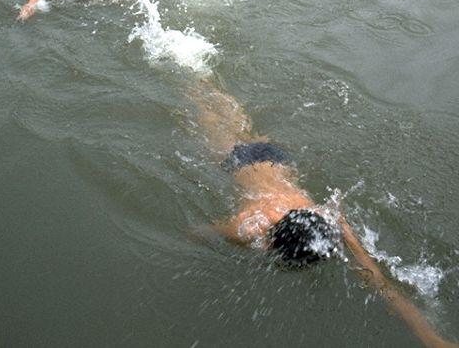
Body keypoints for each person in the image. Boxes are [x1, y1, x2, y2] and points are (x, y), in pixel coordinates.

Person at [189, 77, 457, 348]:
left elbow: (203, 232)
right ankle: (193, 76)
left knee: (223, 113)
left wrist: (431, 339)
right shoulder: (312, 220)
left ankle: (201, 77)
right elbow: (377, 280)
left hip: (269, 161)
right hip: (255, 159)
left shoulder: (277, 224)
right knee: (211, 113)